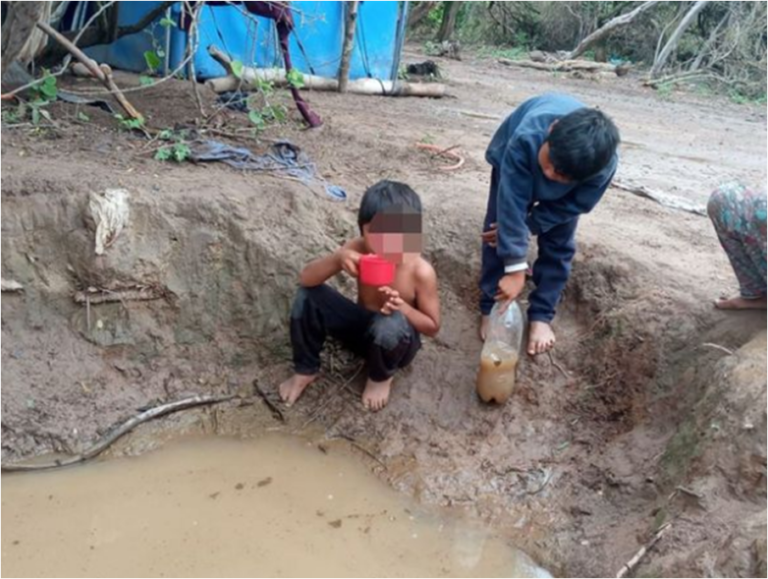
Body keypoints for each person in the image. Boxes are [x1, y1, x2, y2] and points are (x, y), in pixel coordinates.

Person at [278, 180, 441, 411]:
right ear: (363, 231)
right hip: (362, 331)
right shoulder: (359, 247)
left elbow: (433, 327)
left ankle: (380, 376)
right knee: (308, 296)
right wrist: (338, 259)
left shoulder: (420, 271)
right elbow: (306, 279)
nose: (389, 242)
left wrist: (402, 307)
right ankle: (305, 369)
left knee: (389, 322)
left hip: (397, 343)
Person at [480, 93, 620, 355]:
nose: (549, 175)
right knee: (497, 231)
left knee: (559, 245)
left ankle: (541, 315)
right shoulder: (527, 137)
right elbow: (512, 204)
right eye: (551, 163)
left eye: (562, 176)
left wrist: (532, 224)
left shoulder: (599, 168)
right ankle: (489, 305)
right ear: (551, 131)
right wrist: (515, 268)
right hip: (515, 162)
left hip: (566, 197)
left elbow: (576, 204)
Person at [708, 181, 768, 310]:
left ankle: (755, 293)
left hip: (734, 198)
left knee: (748, 245)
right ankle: (756, 295)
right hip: (736, 205)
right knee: (752, 245)